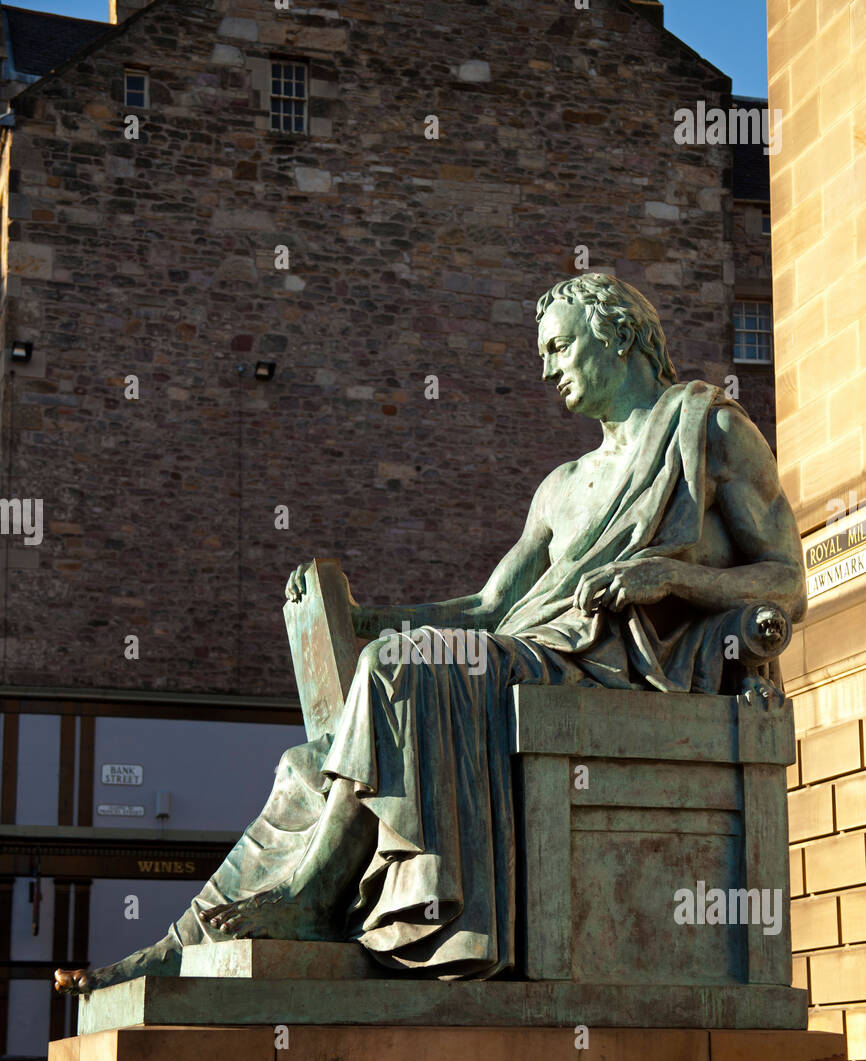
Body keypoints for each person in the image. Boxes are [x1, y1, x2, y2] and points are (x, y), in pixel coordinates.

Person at [55, 272, 806, 993]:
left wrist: (672, 579)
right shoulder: (562, 486)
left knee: (397, 671)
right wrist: (348, 619)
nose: (546, 370)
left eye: (559, 347)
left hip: (614, 670)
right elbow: (483, 609)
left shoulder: (705, 428)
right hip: (523, 658)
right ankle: (182, 946)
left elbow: (786, 582)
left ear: (617, 338)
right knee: (308, 764)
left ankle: (315, 893)